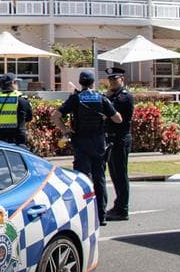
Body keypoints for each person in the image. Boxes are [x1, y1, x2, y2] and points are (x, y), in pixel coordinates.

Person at [52, 69, 122, 225]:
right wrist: (104, 116)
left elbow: (55, 116)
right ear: (93, 82)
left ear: (80, 82)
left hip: (81, 144)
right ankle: (101, 215)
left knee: (82, 180)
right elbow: (118, 119)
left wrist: (65, 129)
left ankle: (84, 215)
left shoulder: (75, 99)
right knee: (100, 179)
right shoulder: (101, 98)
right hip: (98, 144)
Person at [104, 67, 136, 221]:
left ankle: (122, 208)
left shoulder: (124, 97)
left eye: (114, 79)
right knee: (115, 174)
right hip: (112, 139)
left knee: (120, 175)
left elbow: (109, 112)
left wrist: (106, 97)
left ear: (122, 79)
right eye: (110, 79)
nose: (112, 82)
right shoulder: (113, 96)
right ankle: (118, 205)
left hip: (120, 139)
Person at [0, 73, 32, 146]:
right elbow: (29, 117)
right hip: (17, 139)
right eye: (16, 82)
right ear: (13, 83)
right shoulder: (21, 99)